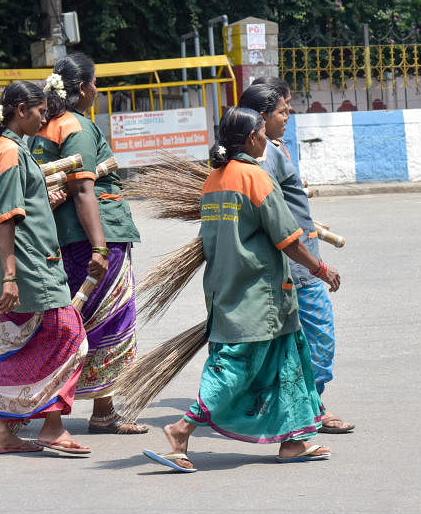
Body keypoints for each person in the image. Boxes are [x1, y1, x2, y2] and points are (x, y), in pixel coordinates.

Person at [142, 106, 342, 472]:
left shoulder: (213, 180)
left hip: (226, 287)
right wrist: (321, 269)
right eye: (263, 132)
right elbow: (288, 238)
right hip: (259, 293)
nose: (267, 138)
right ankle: (181, 428)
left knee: (287, 360)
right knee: (234, 366)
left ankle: (294, 441)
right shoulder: (254, 178)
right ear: (252, 138)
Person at [30, 53, 147, 435]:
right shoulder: (77, 126)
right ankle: (100, 411)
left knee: (77, 319)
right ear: (82, 88)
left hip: (65, 238)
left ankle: (79, 408)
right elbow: (82, 190)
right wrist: (99, 247)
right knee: (108, 318)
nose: (96, 90)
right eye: (94, 83)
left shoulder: (44, 128)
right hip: (98, 237)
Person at [0, 80, 92, 457]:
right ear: (20, 110)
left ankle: (4, 432)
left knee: (20, 345)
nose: (45, 116)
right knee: (72, 337)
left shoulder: (4, 149)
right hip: (29, 267)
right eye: (40, 111)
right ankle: (52, 427)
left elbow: (19, 204)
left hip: (24, 264)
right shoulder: (10, 153)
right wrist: (10, 275)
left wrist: (44, 198)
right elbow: (6, 219)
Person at [244, 79, 355, 434]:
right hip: (297, 268)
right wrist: (317, 266)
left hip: (298, 262)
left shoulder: (273, 149)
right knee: (317, 340)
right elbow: (270, 215)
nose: (289, 114)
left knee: (300, 341)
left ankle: (300, 406)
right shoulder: (264, 156)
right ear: (261, 117)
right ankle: (312, 409)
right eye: (282, 110)